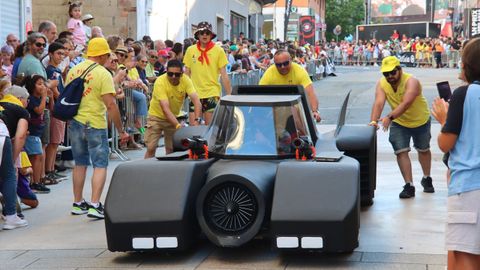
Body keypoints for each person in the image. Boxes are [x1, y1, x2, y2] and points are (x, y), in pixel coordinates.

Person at [65, 38, 129, 219]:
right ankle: (95, 204)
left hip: (76, 122)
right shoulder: (103, 73)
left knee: (80, 163)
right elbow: (111, 105)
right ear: (101, 55)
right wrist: (121, 129)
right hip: (95, 123)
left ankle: (78, 203)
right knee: (100, 164)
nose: (109, 57)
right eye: (108, 54)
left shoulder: (74, 70)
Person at [431, 37, 480, 270]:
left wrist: (444, 119)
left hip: (470, 188)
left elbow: (445, 143)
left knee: (464, 256)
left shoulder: (464, 94)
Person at [369, 56, 433, 199]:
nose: (389, 76)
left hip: (420, 120)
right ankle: (409, 185)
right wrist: (373, 122)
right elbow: (379, 103)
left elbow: (406, 104)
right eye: (386, 74)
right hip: (399, 122)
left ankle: (427, 177)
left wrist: (389, 117)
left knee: (423, 150)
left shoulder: (412, 82)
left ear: (400, 69)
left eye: (392, 72)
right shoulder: (382, 84)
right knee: (401, 151)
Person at [144, 60, 202, 158]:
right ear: (166, 72)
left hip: (173, 118)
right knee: (151, 148)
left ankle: (168, 171)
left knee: (171, 149)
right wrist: (178, 126)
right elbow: (165, 109)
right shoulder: (160, 81)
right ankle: (146, 171)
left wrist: (197, 119)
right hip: (156, 117)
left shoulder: (186, 80)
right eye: (170, 74)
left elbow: (197, 101)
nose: (173, 77)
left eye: (177, 74)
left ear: (182, 74)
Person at [183, 21, 231, 125]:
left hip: (212, 93)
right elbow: (187, 73)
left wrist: (230, 95)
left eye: (207, 33)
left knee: (210, 128)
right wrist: (183, 92)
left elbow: (224, 75)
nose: (204, 35)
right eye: (202, 32)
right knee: (194, 127)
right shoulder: (190, 50)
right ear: (198, 35)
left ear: (211, 35)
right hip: (194, 93)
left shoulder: (218, 51)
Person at [259, 49, 321, 122]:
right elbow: (260, 94)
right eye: (278, 65)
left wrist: (314, 111)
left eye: (285, 63)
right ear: (274, 64)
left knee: (294, 110)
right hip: (276, 107)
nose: (282, 67)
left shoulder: (299, 71)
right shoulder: (269, 73)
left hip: (295, 106)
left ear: (291, 60)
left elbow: (310, 93)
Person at [0, 85, 29, 229]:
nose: (27, 103)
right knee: (8, 175)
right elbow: (20, 136)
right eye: (26, 100)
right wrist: (12, 159)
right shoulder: (21, 111)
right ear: (19, 99)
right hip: (0, 133)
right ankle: (11, 216)